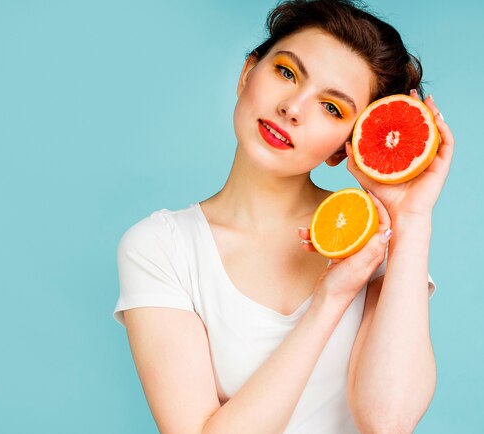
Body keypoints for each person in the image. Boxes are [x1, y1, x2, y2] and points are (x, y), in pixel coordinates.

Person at [113, 0, 454, 432]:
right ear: (246, 74)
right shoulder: (161, 247)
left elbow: (387, 421)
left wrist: (413, 219)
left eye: (332, 108)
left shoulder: (373, 238)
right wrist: (329, 300)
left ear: (342, 147)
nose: (293, 108)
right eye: (287, 73)